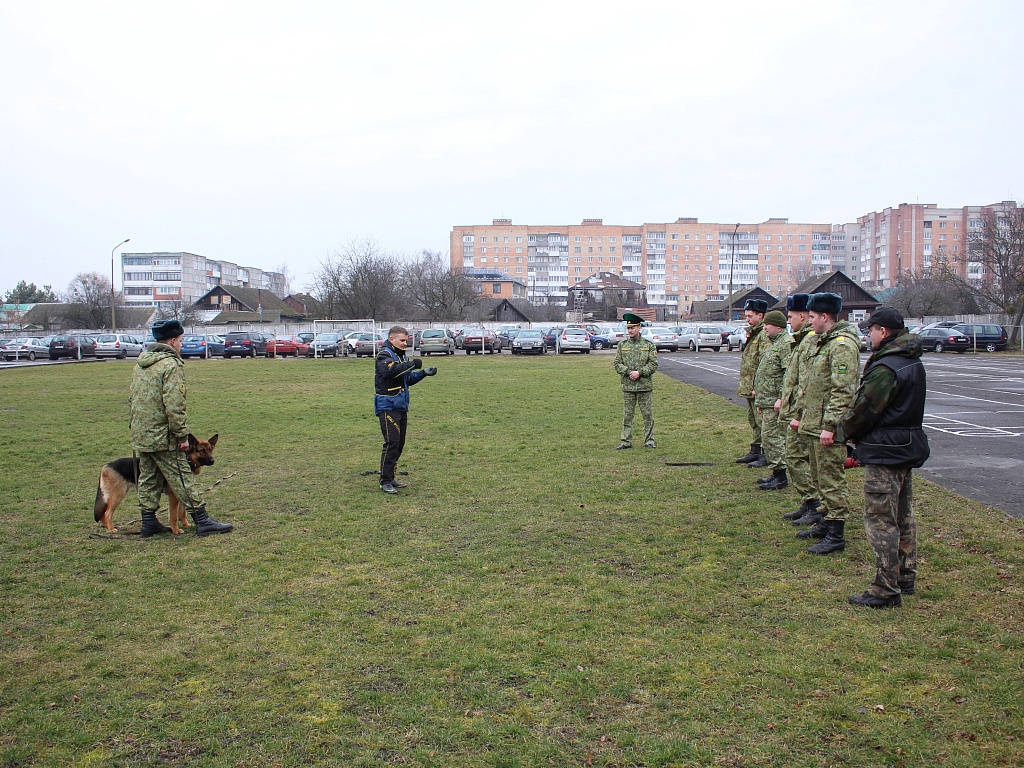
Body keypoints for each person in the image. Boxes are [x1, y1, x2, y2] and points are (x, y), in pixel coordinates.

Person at [841, 307, 929, 608]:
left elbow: (866, 409)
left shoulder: (887, 367)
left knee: (881, 520)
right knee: (904, 516)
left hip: (885, 450)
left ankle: (885, 588)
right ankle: (906, 575)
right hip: (905, 445)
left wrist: (846, 431)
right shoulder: (912, 361)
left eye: (872, 330)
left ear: (884, 331)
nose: (869, 335)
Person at [129, 319, 233, 537]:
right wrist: (181, 436)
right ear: (173, 340)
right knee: (182, 476)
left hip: (141, 433)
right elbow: (175, 405)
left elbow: (134, 399)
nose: (181, 344)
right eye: (181, 340)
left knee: (148, 478)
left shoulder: (141, 364)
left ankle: (148, 522)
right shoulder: (171, 365)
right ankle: (202, 520)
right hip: (163, 436)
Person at [792, 293, 861, 555]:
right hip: (814, 423)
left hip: (827, 427)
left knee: (832, 480)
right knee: (820, 478)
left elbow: (842, 391)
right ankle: (825, 520)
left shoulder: (841, 345)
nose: (808, 321)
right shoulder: (824, 343)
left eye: (811, 317)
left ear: (824, 317)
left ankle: (836, 533)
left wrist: (831, 426)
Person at [375, 325, 437, 493]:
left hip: (401, 405)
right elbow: (390, 372)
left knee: (399, 444)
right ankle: (385, 480)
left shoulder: (400, 357)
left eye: (406, 340)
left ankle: (391, 477)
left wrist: (423, 373)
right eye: (402, 340)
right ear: (391, 339)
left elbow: (406, 379)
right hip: (388, 405)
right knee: (392, 443)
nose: (405, 344)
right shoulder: (384, 355)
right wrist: (412, 364)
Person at [777, 293, 820, 523]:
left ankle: (815, 504)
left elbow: (808, 381)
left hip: (804, 413)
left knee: (796, 457)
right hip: (797, 410)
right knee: (796, 457)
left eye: (791, 316)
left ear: (802, 316)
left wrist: (799, 413)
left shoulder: (810, 341)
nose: (789, 321)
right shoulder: (802, 340)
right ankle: (808, 501)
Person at [752, 310, 792, 490]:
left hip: (775, 403)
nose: (765, 327)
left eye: (767, 324)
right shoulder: (774, 343)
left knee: (773, 438)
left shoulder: (785, 344)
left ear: (777, 325)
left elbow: (789, 374)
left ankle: (781, 476)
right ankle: (776, 472)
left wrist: (781, 398)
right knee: (768, 437)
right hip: (766, 401)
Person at [613, 313, 658, 449]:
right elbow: (617, 364)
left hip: (644, 386)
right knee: (627, 416)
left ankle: (649, 441)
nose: (630, 331)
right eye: (628, 328)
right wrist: (628, 372)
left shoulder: (648, 345)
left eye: (633, 328)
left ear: (639, 328)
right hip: (628, 386)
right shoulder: (622, 345)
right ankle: (626, 441)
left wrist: (640, 373)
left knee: (647, 416)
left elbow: (653, 364)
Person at [735, 298, 771, 467]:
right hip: (749, 386)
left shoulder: (764, 335)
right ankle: (755, 449)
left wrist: (758, 386)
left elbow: (764, 362)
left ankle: (766, 452)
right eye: (746, 316)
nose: (747, 319)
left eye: (750, 316)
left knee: (762, 420)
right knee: (753, 419)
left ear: (761, 316)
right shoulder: (754, 333)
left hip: (758, 387)